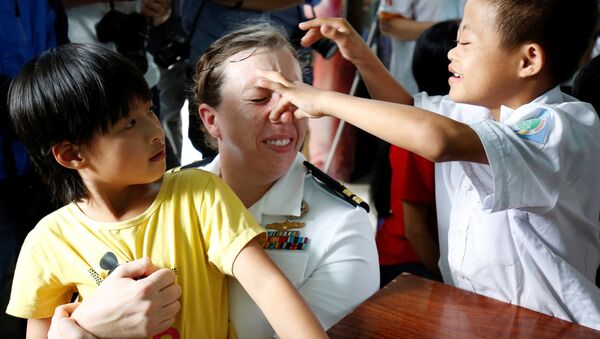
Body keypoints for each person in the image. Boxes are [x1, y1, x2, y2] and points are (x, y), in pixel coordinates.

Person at [257, 0, 600, 330]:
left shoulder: (560, 126)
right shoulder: (476, 112)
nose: (452, 53)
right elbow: (405, 107)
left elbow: (439, 140)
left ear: (528, 61)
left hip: (556, 324)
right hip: (481, 313)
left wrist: (324, 100)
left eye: (466, 42)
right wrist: (361, 55)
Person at [46, 23, 379, 339]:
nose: (287, 111)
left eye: (296, 93)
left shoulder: (343, 226)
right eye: (261, 97)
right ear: (210, 119)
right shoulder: (158, 197)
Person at [375, 20, 459, 287]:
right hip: (407, 263)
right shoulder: (419, 135)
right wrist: (450, 282)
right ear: (452, 71)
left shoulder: (459, 124)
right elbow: (415, 230)